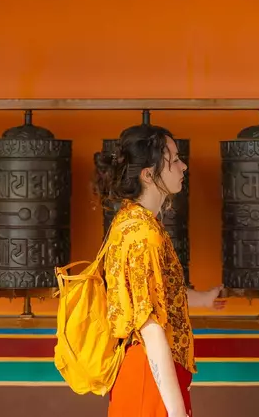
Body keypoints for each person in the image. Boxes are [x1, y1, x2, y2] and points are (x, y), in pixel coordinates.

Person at [93, 123, 225, 417]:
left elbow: (156, 295)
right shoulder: (143, 234)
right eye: (174, 159)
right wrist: (176, 412)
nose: (184, 166)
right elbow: (150, 329)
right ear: (148, 174)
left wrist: (202, 299)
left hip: (149, 376)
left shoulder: (133, 221)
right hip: (149, 379)